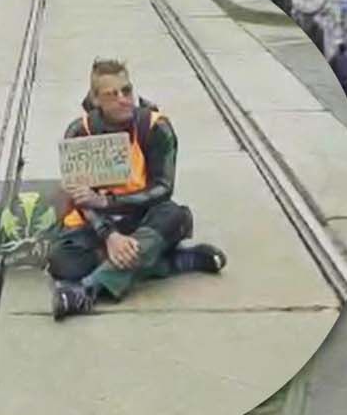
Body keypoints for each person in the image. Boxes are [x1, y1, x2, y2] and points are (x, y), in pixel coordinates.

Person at [47, 58, 226, 320]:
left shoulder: (156, 127)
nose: (124, 99)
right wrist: (110, 236)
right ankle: (175, 262)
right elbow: (81, 198)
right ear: (96, 100)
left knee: (173, 215)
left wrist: (107, 201)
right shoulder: (79, 131)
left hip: (145, 218)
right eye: (113, 94)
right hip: (101, 228)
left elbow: (163, 188)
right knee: (61, 261)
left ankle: (88, 289)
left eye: (127, 90)